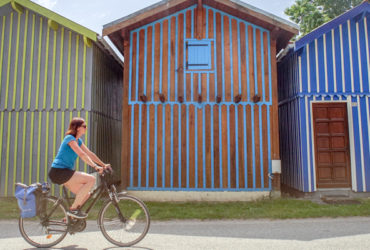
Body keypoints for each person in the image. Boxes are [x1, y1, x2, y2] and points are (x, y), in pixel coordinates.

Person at [48, 117, 110, 219]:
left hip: (65, 172)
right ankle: (73, 211)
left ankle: (69, 218)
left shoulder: (78, 141)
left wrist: (103, 165)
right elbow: (81, 154)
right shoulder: (69, 139)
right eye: (84, 126)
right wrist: (95, 167)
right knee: (91, 179)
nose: (86, 128)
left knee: (86, 195)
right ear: (77, 128)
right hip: (58, 172)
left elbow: (89, 154)